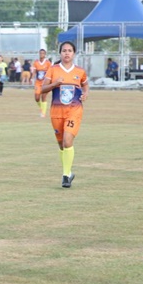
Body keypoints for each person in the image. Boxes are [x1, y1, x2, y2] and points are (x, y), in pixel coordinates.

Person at [40, 41, 88, 188]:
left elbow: (85, 84)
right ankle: (68, 171)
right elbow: (43, 89)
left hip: (74, 111)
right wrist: (55, 84)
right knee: (61, 144)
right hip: (56, 112)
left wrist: (86, 94)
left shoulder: (80, 71)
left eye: (70, 51)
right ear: (60, 53)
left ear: (74, 53)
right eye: (64, 50)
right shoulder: (53, 70)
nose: (67, 53)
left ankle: (65, 176)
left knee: (68, 140)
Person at [31, 49, 52, 117]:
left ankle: (43, 113)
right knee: (37, 98)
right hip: (38, 82)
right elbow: (34, 71)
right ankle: (41, 108)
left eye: (43, 53)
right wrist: (32, 78)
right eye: (40, 53)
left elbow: (51, 72)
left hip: (45, 83)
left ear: (45, 54)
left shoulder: (48, 63)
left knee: (43, 96)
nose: (41, 54)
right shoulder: (36, 62)